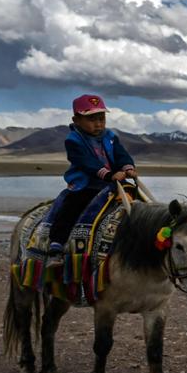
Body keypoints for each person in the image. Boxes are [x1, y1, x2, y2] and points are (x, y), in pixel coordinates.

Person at [45, 94, 136, 255]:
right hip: (85, 185)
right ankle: (57, 241)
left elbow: (121, 154)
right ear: (76, 120)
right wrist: (108, 175)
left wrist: (127, 167)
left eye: (101, 119)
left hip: (111, 184)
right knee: (71, 207)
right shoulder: (74, 140)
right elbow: (86, 162)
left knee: (137, 204)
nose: (99, 124)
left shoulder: (110, 137)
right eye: (92, 119)